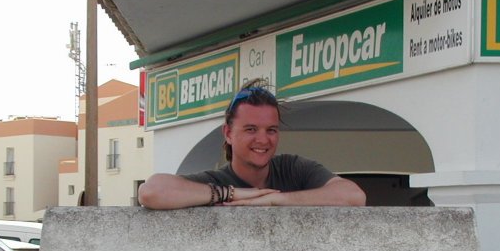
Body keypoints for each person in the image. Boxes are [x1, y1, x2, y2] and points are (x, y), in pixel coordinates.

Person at [138, 79, 366, 209]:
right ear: (228, 133)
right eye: (250, 130)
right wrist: (232, 194)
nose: (263, 140)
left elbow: (354, 197)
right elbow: (152, 191)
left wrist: (276, 200)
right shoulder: (215, 181)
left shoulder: (294, 169)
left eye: (271, 130)